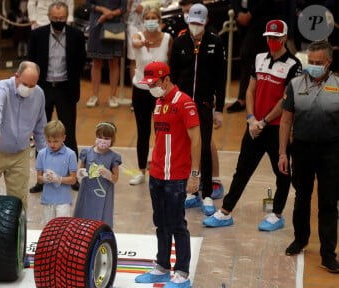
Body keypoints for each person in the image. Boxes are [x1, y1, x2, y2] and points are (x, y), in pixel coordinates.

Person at [203, 19, 301, 231]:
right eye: (269, 37)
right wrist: (250, 119)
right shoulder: (259, 59)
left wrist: (264, 121)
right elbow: (249, 91)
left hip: (277, 128)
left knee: (282, 173)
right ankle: (226, 212)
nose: (272, 41)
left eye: (276, 37)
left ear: (284, 38)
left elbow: (285, 99)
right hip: (255, 126)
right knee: (242, 170)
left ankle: (277, 215)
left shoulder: (294, 65)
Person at [134, 61, 201, 288]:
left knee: (177, 224)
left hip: (177, 175)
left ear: (165, 79)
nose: (151, 88)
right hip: (157, 173)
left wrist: (195, 174)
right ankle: (162, 265)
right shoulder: (158, 103)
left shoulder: (184, 103)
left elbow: (197, 138)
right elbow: (161, 134)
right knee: (160, 222)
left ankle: (181, 273)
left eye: (154, 83)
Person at [279, 40, 339, 273]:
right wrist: (282, 153)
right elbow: (286, 120)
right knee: (301, 197)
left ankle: (328, 254)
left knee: (328, 202)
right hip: (302, 149)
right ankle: (300, 239)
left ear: (329, 63)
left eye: (318, 63)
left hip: (331, 151)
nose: (313, 66)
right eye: (310, 62)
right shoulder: (294, 84)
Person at [170, 3, 225, 215]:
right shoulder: (180, 42)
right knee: (184, 147)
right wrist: (171, 102)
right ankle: (190, 191)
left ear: (206, 22)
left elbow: (221, 78)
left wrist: (219, 108)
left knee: (203, 147)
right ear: (188, 20)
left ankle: (208, 193)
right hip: (182, 103)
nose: (195, 27)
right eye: (192, 22)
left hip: (203, 103)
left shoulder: (215, 42)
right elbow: (173, 75)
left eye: (199, 24)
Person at [27, 0, 86, 193]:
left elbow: (81, 62)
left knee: (68, 134)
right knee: (40, 134)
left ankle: (72, 177)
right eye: (55, 18)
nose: (58, 21)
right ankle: (41, 179)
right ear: (49, 17)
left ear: (66, 17)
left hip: (65, 89)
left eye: (61, 18)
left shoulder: (76, 36)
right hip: (43, 88)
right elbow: (31, 61)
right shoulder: (38, 35)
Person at [0, 61, 47, 210]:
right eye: (26, 84)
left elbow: (41, 125)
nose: (29, 89)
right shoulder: (0, 88)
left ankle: (17, 232)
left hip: (20, 154)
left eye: (33, 85)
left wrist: (45, 154)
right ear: (17, 76)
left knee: (19, 202)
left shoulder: (38, 94)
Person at [128, 0, 172, 185]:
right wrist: (143, 42)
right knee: (143, 131)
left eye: (154, 18)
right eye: (147, 18)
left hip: (160, 92)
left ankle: (162, 169)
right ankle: (141, 170)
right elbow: (135, 43)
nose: (151, 21)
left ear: (160, 20)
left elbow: (170, 62)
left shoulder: (168, 39)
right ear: (143, 20)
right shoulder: (137, 36)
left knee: (162, 131)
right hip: (141, 90)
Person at [226, 0, 282, 113]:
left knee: (250, 54)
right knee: (247, 58)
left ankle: (254, 99)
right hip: (243, 23)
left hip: (263, 20)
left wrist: (250, 14)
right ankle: (245, 98)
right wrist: (239, 13)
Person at [73, 121, 121, 228]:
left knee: (100, 221)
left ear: (112, 140)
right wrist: (80, 174)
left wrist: (108, 175)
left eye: (106, 138)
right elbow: (80, 170)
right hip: (87, 192)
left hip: (103, 195)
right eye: (100, 137)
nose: (102, 140)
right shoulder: (87, 152)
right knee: (84, 218)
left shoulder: (114, 157)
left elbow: (115, 179)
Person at [85, 0, 127, 108]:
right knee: (96, 62)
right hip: (97, 23)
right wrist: (102, 10)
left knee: (114, 62)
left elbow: (123, 8)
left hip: (115, 26)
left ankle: (113, 96)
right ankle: (94, 95)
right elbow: (89, 5)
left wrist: (111, 14)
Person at [34, 120, 77, 225]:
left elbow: (73, 179)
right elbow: (38, 179)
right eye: (49, 141)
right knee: (49, 228)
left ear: (64, 138)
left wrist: (59, 179)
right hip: (47, 199)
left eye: (56, 141)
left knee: (62, 228)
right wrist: (44, 178)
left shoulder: (70, 154)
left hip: (63, 200)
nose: (52, 144)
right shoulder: (41, 154)